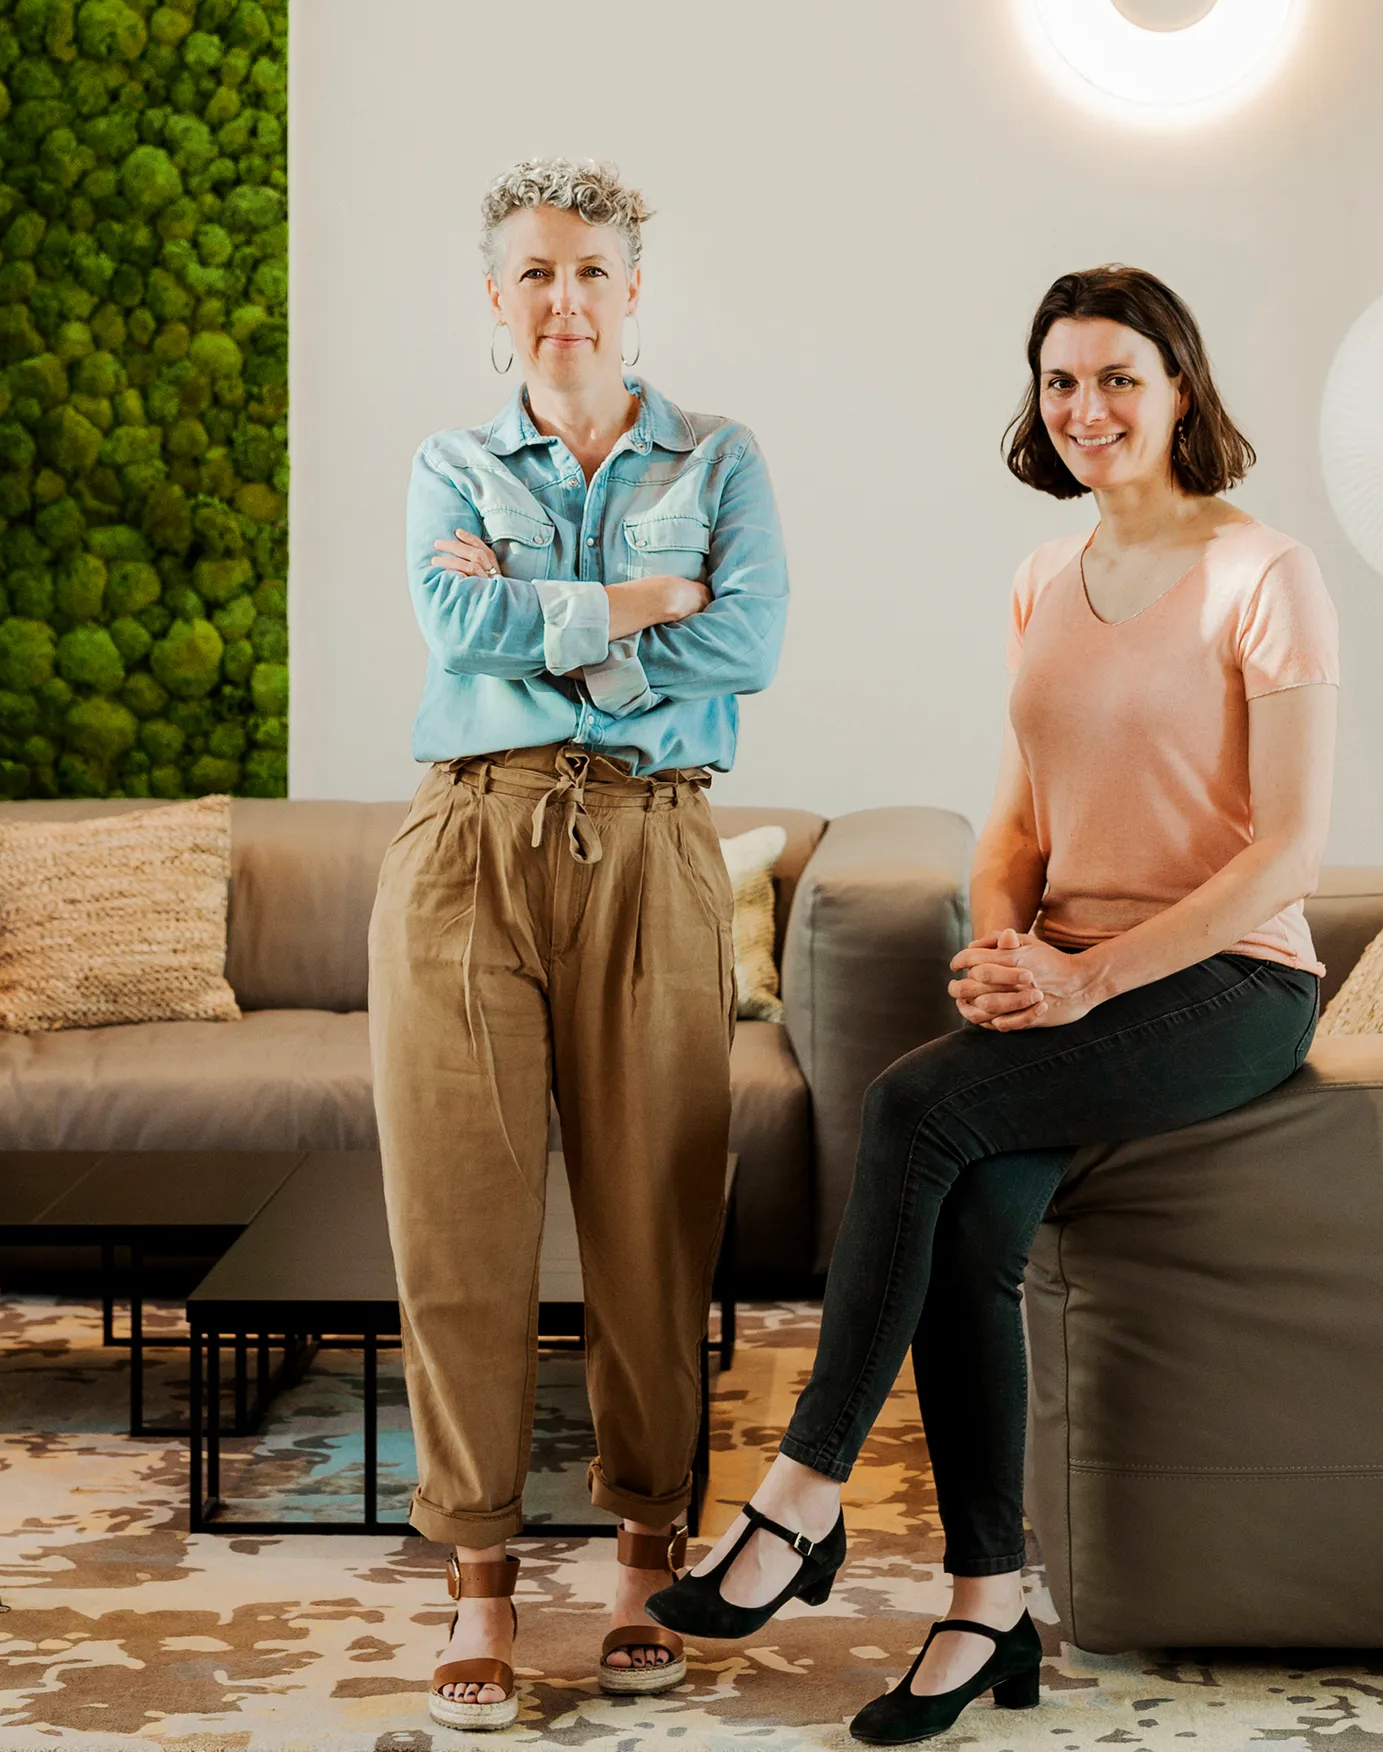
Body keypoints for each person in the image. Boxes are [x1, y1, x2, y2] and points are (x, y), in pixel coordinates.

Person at [650, 264, 1336, 1742]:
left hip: (1227, 983)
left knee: (909, 1101)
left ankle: (802, 1494)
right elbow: (1017, 818)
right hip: (1069, 978)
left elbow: (1287, 846)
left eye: (1118, 379)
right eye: (1060, 381)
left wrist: (1088, 977)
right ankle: (987, 1606)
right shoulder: (1043, 579)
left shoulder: (1263, 575)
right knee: (967, 1217)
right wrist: (1001, 944)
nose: (1086, 408)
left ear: (1182, 392)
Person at [371, 158, 789, 1730]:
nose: (564, 300)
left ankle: (640, 1554)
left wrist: (557, 614)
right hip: (465, 843)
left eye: (591, 272)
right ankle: (479, 1580)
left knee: (651, 1224)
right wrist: (637, 607)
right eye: (534, 274)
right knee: (460, 1234)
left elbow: (745, 639)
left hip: (654, 842)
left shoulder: (721, 455)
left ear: (634, 292)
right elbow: (451, 631)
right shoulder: (443, 462)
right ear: (497, 300)